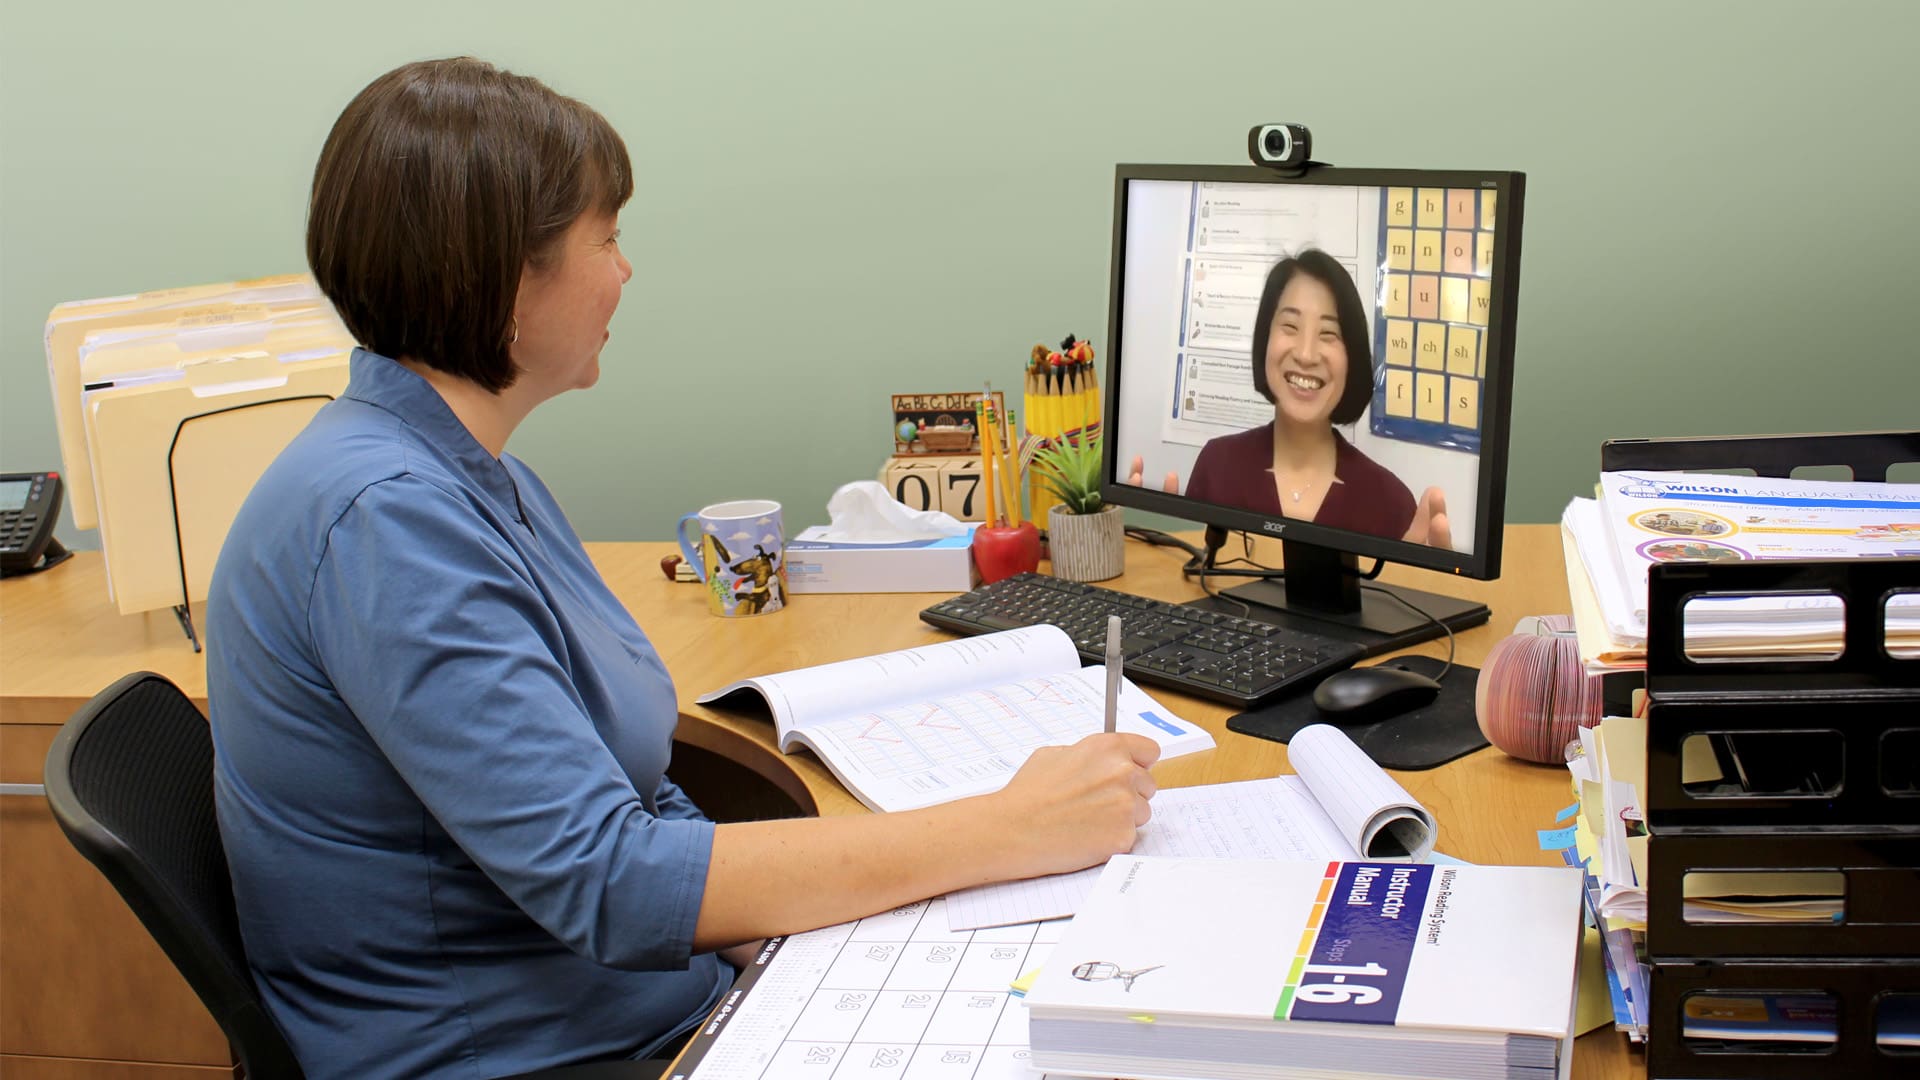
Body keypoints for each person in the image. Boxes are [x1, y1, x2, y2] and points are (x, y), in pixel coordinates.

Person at [205, 58, 1159, 1080]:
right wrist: (1006, 830)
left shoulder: (469, 477)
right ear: (497, 274)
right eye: (604, 238)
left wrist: (785, 925)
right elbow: (610, 881)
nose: (625, 271)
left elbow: (636, 788)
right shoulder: (384, 525)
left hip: (623, 1006)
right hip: (525, 1056)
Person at [1130, 249, 1451, 548]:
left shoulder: (1390, 502)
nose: (1306, 354)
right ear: (1265, 340)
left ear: (1350, 356)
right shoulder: (1217, 465)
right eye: (1290, 326)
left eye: (1328, 333)